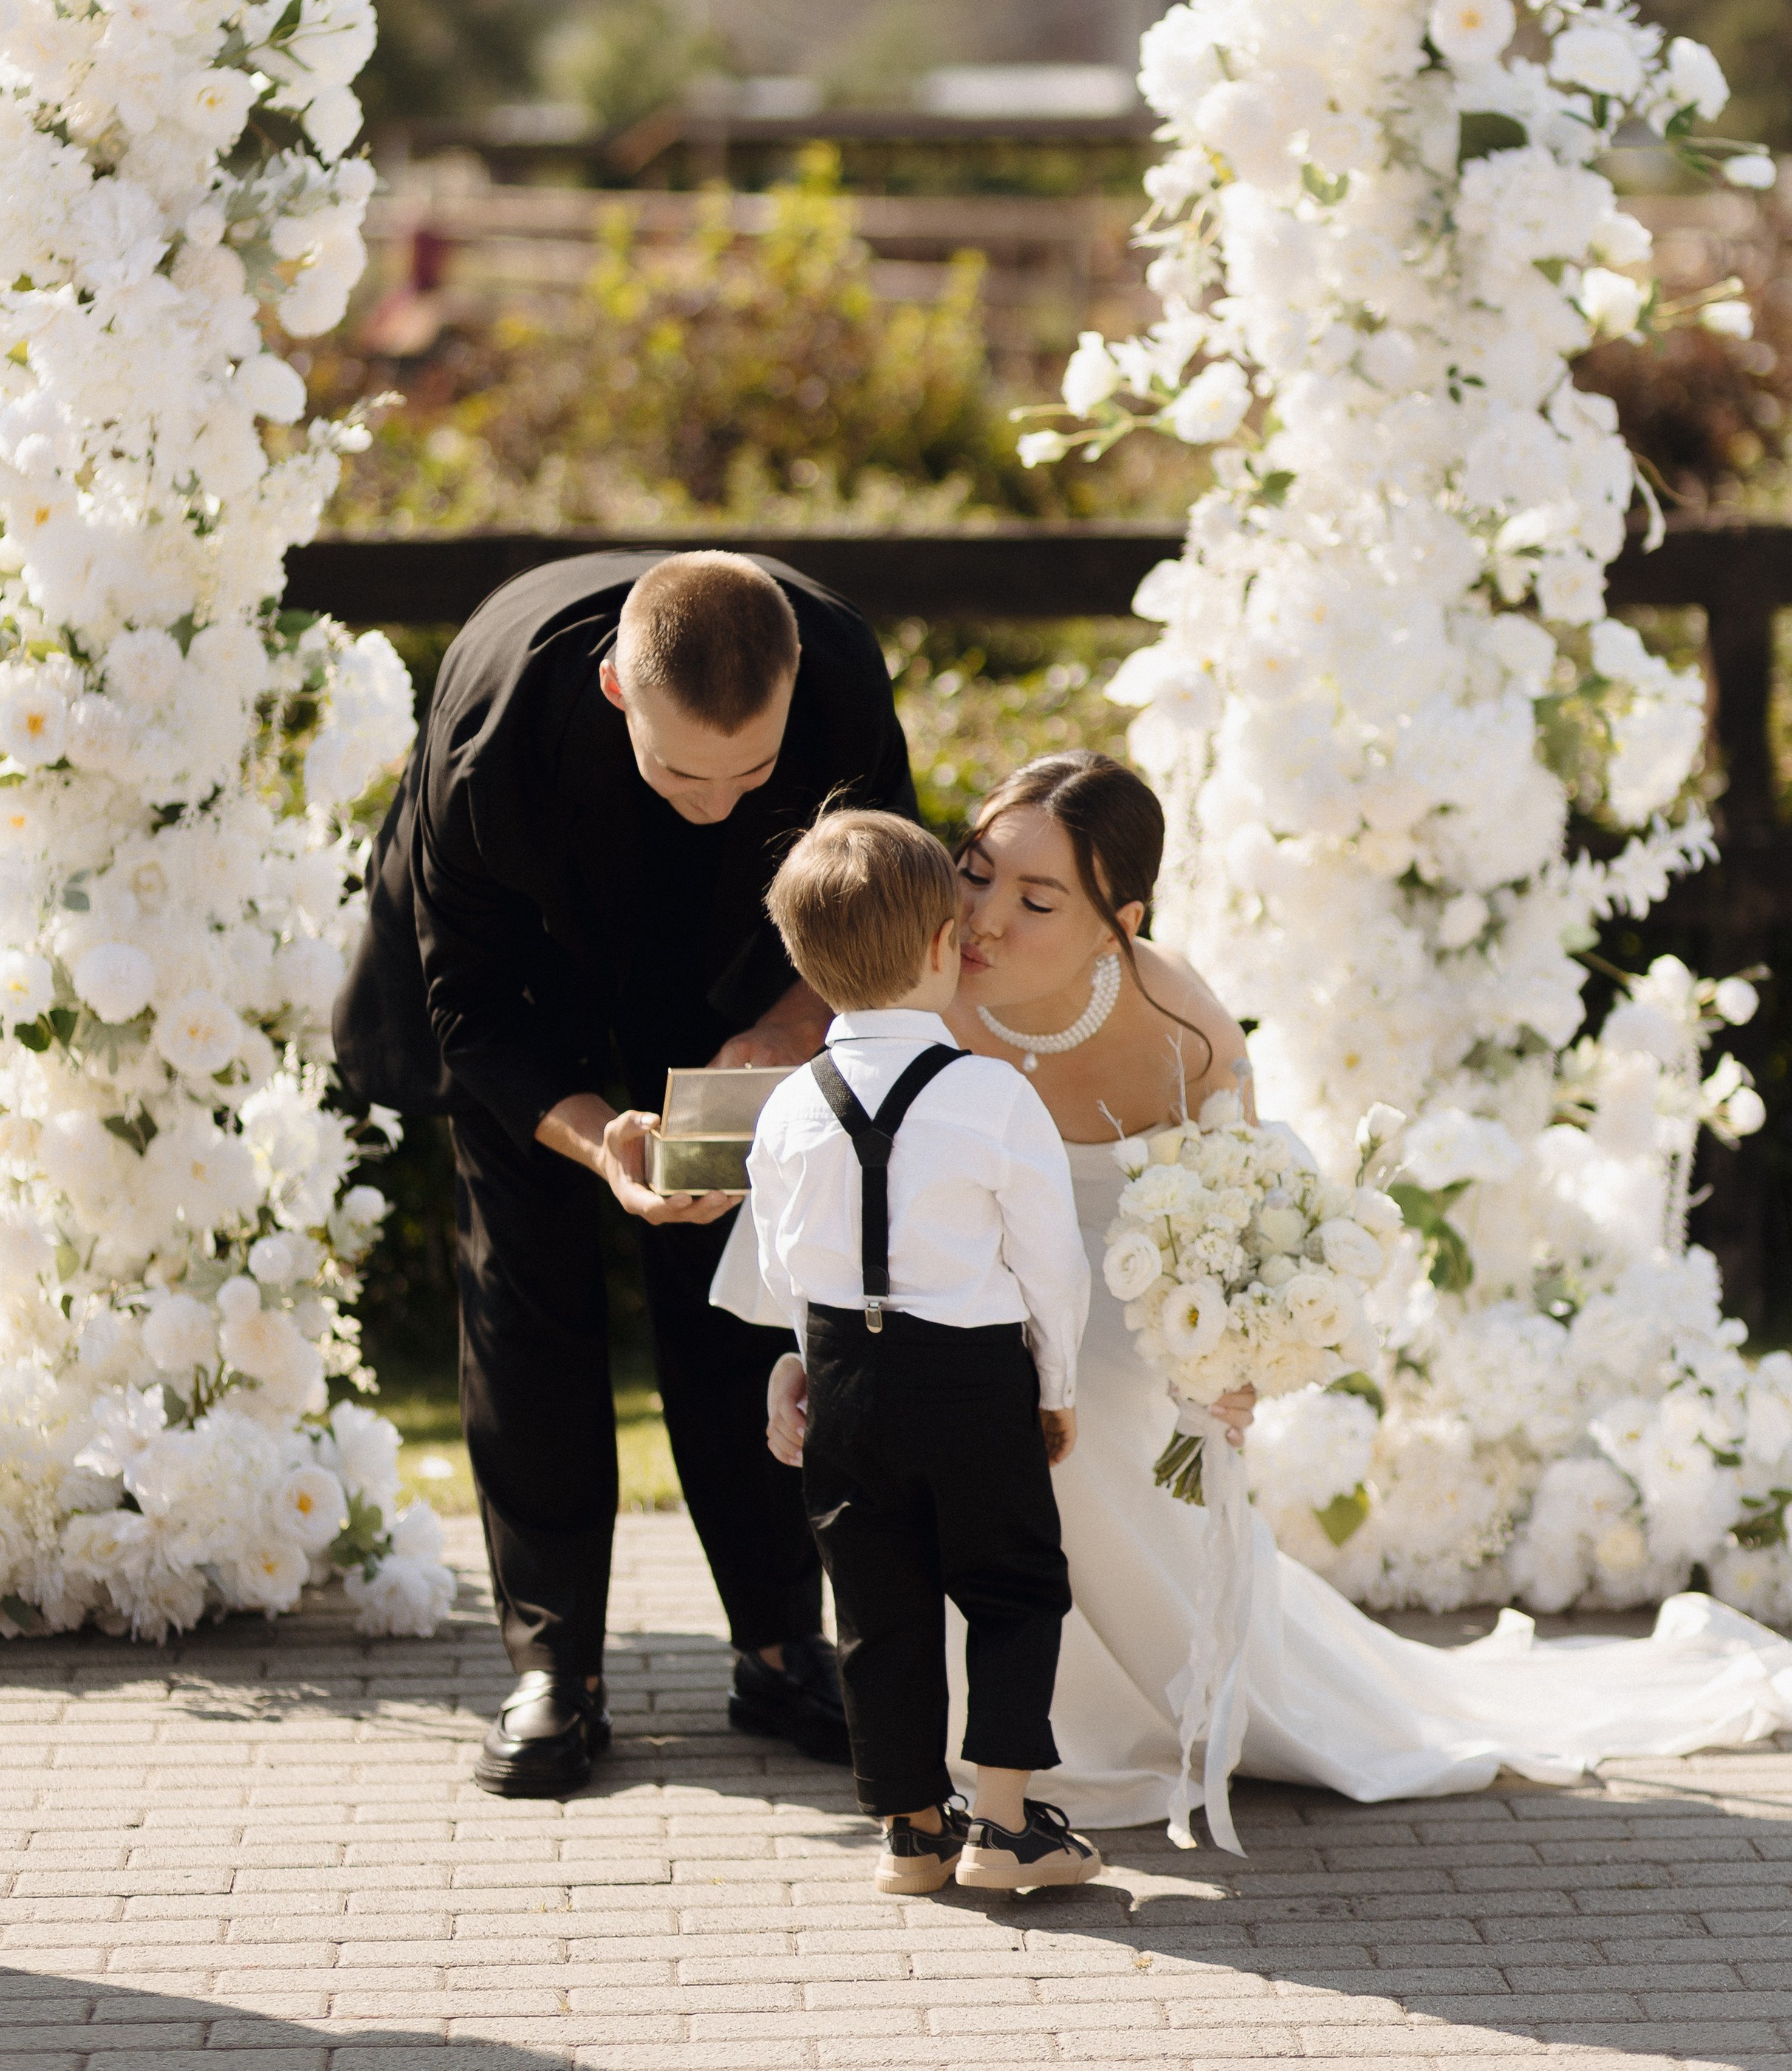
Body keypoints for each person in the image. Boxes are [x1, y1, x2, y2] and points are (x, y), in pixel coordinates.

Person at [947, 749, 1792, 1827]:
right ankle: (983, 1713)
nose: (984, 920)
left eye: (1035, 901)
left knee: (1099, 1398)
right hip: (972, 1259)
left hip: (1125, 1273)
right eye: (975, 873)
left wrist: (1229, 1355)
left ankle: (1145, 1708)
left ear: (1121, 921)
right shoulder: (927, 976)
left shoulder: (1182, 1025)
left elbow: (1245, 1208)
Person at [334, 547, 915, 1796]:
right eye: (681, 772)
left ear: (796, 684)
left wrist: (785, 1028)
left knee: (745, 1291)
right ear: (615, 690)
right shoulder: (494, 739)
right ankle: (556, 1670)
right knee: (527, 1294)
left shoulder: (843, 679)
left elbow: (879, 908)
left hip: (732, 974)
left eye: (750, 773)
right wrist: (602, 1137)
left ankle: (780, 1645)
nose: (715, 804)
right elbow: (471, 1009)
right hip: (525, 986)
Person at [748, 807, 1104, 1899]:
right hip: (972, 1377)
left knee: (876, 1607)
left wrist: (799, 1366)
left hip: (846, 1384)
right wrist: (1055, 1386)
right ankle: (1005, 1826)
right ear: (947, 944)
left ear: (803, 959)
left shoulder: (787, 1108)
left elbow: (784, 1264)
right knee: (1012, 1587)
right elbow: (1052, 1266)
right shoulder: (994, 1095)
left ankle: (909, 1832)